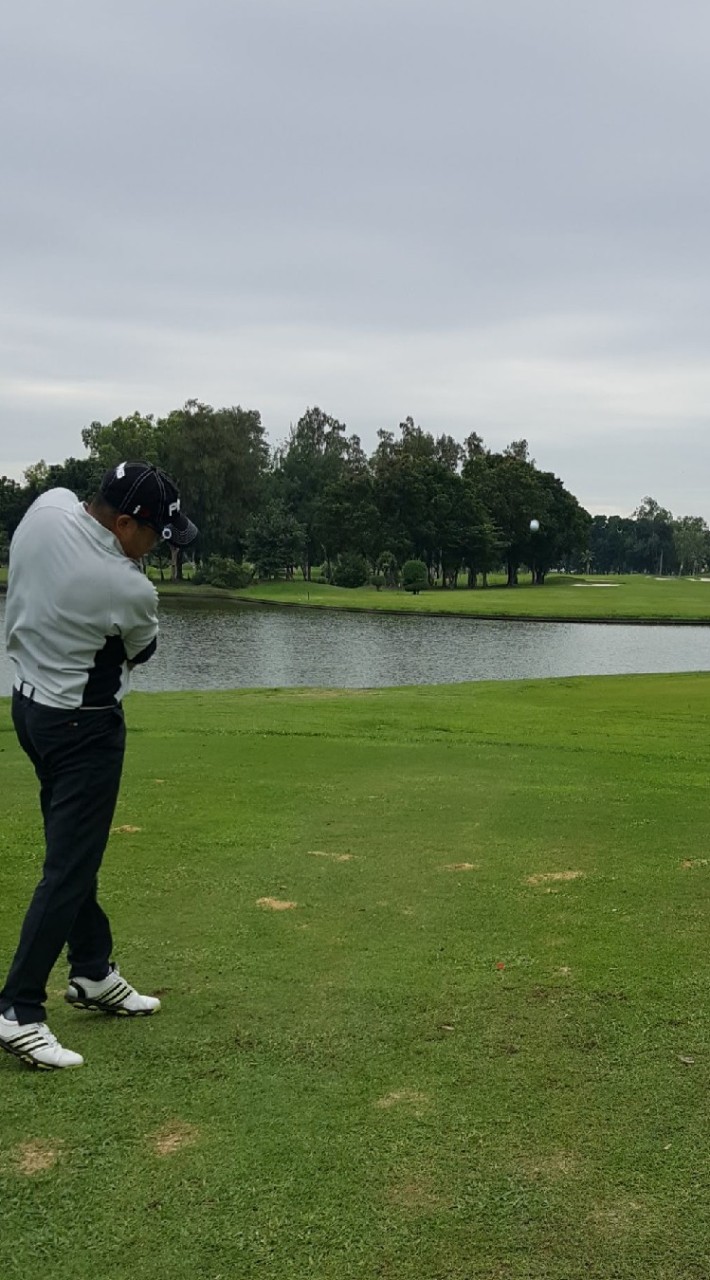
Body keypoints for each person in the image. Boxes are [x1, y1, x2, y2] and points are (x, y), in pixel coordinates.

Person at [0, 461, 197, 1071]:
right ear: (124, 523)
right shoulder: (127, 587)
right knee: (69, 867)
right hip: (83, 729)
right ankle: (18, 1010)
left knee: (73, 851)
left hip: (27, 709)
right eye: (157, 534)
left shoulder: (48, 506)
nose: (159, 547)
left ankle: (91, 971)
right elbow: (143, 650)